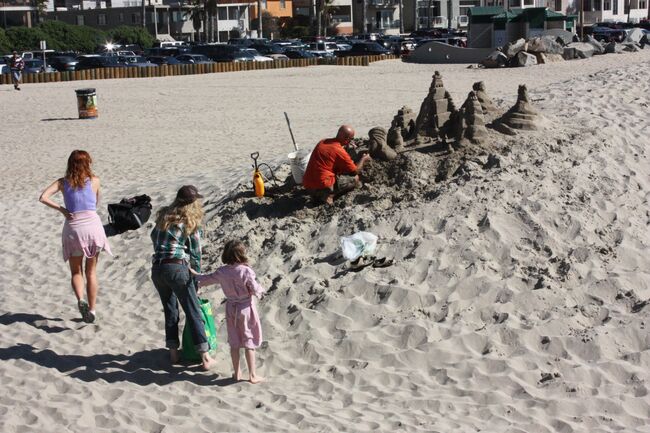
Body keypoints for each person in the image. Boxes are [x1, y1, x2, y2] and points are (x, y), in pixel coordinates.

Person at [39, 150, 112, 323]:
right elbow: (96, 202)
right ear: (88, 163)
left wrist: (62, 209)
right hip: (92, 227)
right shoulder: (95, 181)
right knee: (91, 272)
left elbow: (43, 197)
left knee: (76, 271)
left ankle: (81, 300)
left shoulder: (62, 183)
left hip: (73, 228)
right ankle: (92, 311)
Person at [150, 185, 215, 370]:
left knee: (170, 310)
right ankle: (205, 357)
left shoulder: (163, 217)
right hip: (176, 268)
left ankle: (173, 353)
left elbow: (153, 237)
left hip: (157, 268)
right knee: (192, 310)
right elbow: (196, 254)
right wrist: (196, 278)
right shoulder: (189, 222)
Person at [193, 240, 266, 384]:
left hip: (231, 307)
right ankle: (252, 375)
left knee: (234, 341)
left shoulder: (222, 271)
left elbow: (205, 279)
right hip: (246, 307)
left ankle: (237, 373)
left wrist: (195, 274)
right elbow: (255, 288)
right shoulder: (246, 271)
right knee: (248, 341)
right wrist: (261, 291)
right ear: (242, 254)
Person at [302, 124, 371, 205]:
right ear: (347, 139)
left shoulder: (322, 142)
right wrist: (363, 159)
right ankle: (329, 195)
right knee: (355, 178)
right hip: (323, 185)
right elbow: (355, 171)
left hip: (308, 185)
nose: (352, 141)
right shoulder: (339, 151)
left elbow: (331, 158)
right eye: (351, 139)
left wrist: (345, 146)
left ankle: (318, 194)